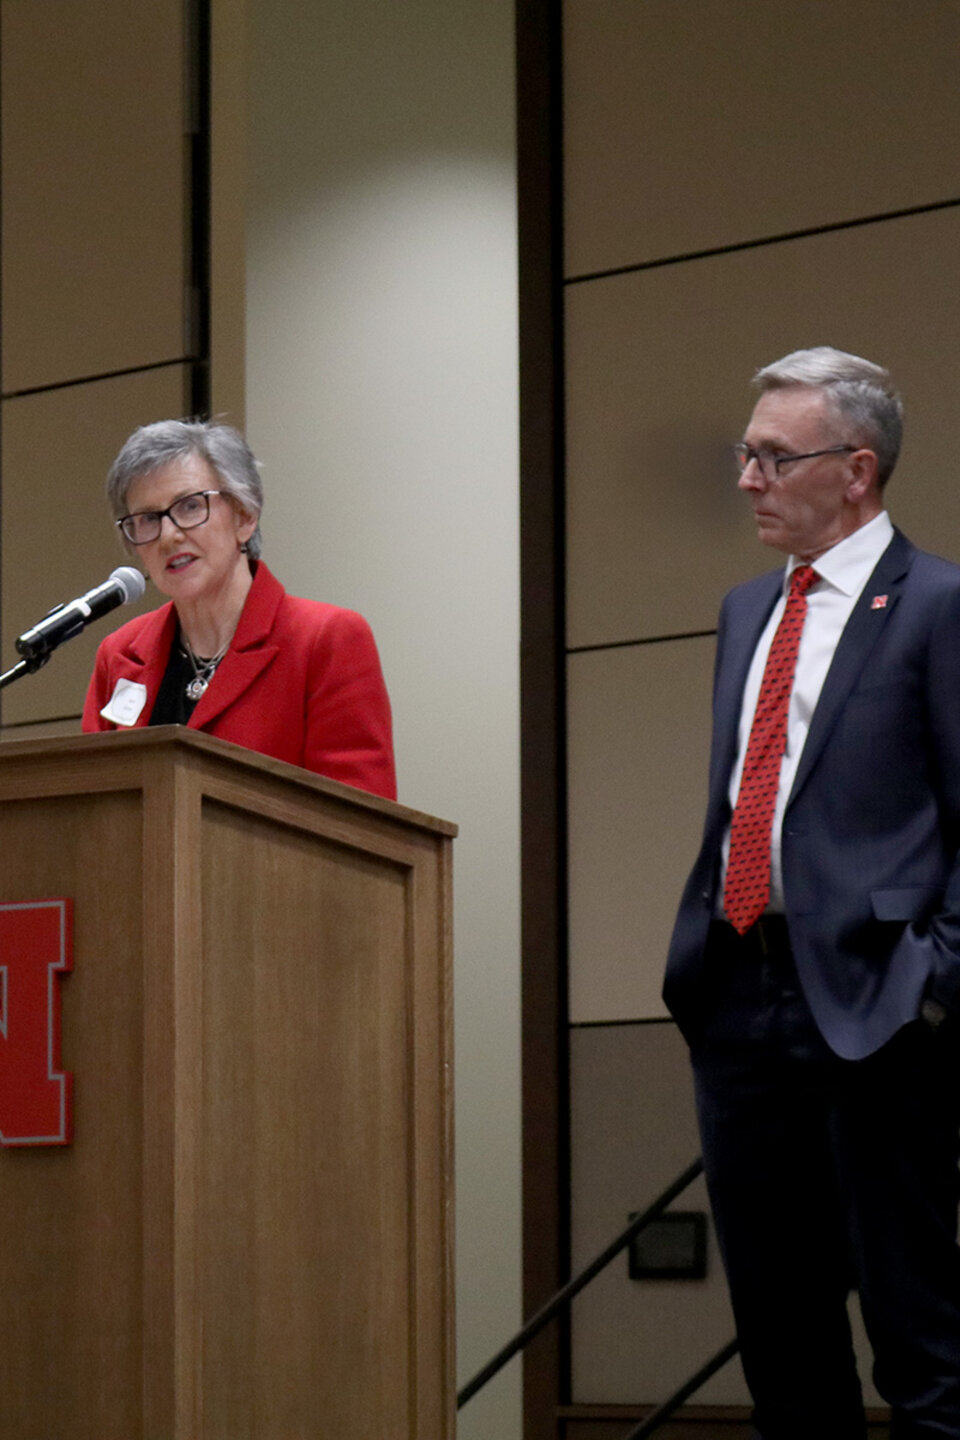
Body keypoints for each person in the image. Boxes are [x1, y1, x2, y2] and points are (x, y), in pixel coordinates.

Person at [663, 347, 960, 1439]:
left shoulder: (939, 606)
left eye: (774, 457)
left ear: (858, 471)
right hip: (741, 1000)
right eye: (746, 454)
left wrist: (934, 990)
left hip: (883, 1008)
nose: (747, 478)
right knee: (783, 1347)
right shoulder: (747, 611)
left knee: (923, 1343)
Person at [82, 419, 396, 801]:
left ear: (245, 516)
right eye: (148, 519)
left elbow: (360, 826)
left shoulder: (326, 640)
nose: (169, 535)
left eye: (190, 506)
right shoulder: (119, 655)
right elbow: (95, 810)